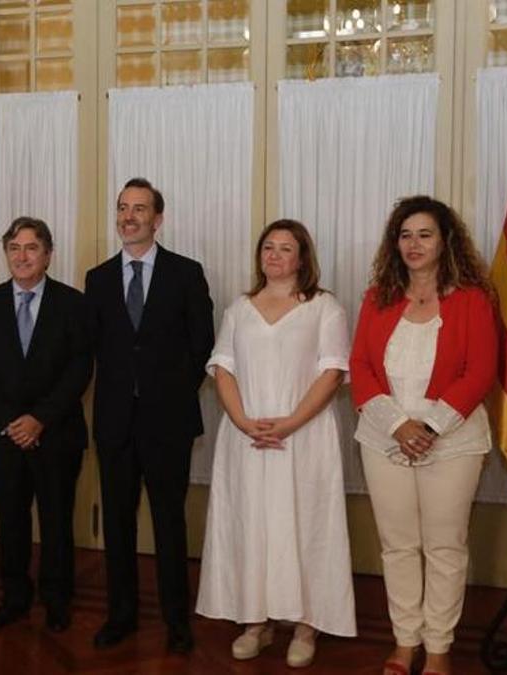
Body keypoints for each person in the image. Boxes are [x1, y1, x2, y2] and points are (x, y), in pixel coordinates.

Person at [349, 195, 498, 675]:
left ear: (445, 241)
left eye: (425, 234)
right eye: (405, 234)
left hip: (451, 440)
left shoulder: (472, 297)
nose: (413, 244)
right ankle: (405, 641)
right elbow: (360, 367)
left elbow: (480, 371)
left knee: (444, 545)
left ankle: (438, 648)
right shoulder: (378, 297)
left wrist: (429, 426)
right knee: (397, 545)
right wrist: (398, 425)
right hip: (383, 436)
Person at [196, 220, 354, 668]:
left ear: (302, 258)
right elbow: (222, 369)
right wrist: (245, 421)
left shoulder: (325, 307)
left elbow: (333, 373)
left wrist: (288, 424)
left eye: (286, 248)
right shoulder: (239, 308)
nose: (275, 255)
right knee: (254, 524)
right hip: (247, 437)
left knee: (306, 523)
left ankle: (306, 624)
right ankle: (256, 621)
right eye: (268, 247)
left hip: (303, 436)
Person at [84, 177, 215, 654]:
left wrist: (169, 393)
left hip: (168, 423)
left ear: (158, 220)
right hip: (115, 422)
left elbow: (202, 343)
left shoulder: (186, 273)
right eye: (122, 208)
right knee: (117, 523)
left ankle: (177, 620)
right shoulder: (97, 279)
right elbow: (94, 348)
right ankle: (121, 615)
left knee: (168, 522)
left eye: (139, 209)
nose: (129, 216)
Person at [0, 216, 92, 633]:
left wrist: (39, 419)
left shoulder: (73, 304)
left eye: (31, 248)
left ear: (48, 255)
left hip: (56, 433)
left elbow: (79, 369)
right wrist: (10, 422)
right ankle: (14, 597)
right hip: (4, 437)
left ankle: (57, 599)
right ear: (6, 254)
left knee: (56, 520)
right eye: (14, 248)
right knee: (11, 520)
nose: (22, 256)